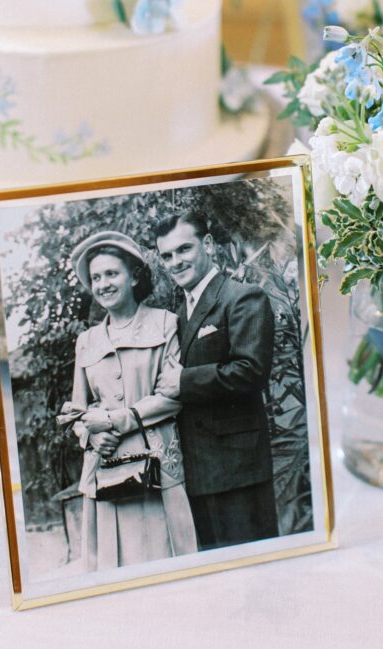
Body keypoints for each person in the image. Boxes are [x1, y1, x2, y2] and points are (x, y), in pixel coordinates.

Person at [65, 230, 197, 571]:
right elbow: (77, 410)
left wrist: (113, 420)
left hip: (157, 468)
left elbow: (173, 394)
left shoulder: (166, 323)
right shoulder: (86, 341)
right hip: (105, 470)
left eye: (112, 273)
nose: (103, 284)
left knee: (165, 562)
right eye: (96, 277)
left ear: (134, 275)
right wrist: (90, 434)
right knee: (112, 568)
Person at [155, 210, 278, 550]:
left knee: (255, 576)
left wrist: (185, 381)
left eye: (184, 249)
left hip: (238, 472)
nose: (176, 262)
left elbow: (251, 371)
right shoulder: (178, 316)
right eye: (167, 255)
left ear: (207, 244)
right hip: (195, 474)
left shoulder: (242, 297)